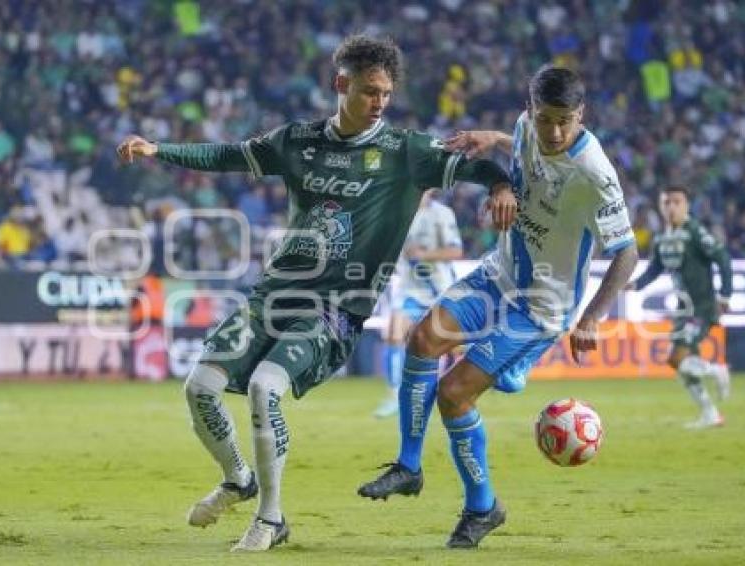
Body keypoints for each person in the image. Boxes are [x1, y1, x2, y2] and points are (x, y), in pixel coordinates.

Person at [117, 35, 516, 552]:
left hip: (336, 309)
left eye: (387, 93)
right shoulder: (297, 141)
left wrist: (502, 186)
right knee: (200, 388)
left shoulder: (405, 151)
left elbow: (476, 167)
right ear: (340, 84)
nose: (380, 102)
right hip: (274, 297)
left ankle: (271, 518)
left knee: (264, 388)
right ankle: (240, 479)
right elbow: (228, 155)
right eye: (371, 91)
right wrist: (158, 148)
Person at [357, 65, 638, 548]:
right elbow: (522, 144)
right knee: (421, 339)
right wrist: (493, 141)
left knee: (453, 394)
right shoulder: (527, 127)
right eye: (545, 117)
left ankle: (482, 507)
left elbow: (627, 252)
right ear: (531, 109)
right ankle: (408, 466)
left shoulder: (595, 173)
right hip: (498, 275)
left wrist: (592, 317)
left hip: (540, 306)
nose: (553, 131)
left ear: (581, 115)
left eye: (565, 121)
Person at [626, 186, 732, 428]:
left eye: (677, 202)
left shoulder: (695, 232)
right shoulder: (663, 239)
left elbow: (723, 258)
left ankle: (717, 370)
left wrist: (725, 296)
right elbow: (655, 269)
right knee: (680, 364)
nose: (672, 207)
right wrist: (635, 284)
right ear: (662, 207)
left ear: (686, 206)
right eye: (668, 202)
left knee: (679, 359)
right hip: (683, 310)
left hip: (702, 307)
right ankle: (710, 413)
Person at [375, 189, 463, 418]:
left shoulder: (442, 214)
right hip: (410, 289)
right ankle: (394, 395)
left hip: (438, 288)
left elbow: (456, 250)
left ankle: (456, 388)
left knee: (451, 345)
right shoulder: (398, 212)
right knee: (393, 334)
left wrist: (425, 255)